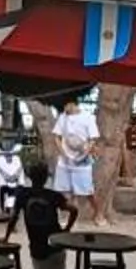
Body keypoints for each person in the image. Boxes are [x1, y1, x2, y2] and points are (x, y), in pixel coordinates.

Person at [49, 94, 100, 226]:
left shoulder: (87, 118)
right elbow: (56, 136)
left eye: (65, 106)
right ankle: (70, 216)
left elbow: (93, 138)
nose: (64, 109)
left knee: (87, 190)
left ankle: (98, 213)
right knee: (66, 190)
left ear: (72, 103)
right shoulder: (62, 118)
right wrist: (63, 152)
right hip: (65, 159)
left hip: (82, 158)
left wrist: (87, 150)